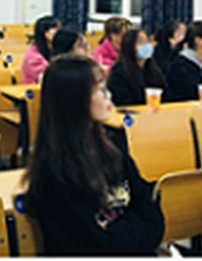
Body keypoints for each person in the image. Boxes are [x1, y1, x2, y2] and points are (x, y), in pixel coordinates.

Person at [23, 56, 164, 256]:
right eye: (100, 89)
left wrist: (125, 231)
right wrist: (135, 227)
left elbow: (152, 215)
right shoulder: (54, 171)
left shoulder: (114, 143)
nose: (109, 95)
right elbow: (97, 247)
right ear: (74, 99)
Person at [107, 29, 165, 107]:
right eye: (141, 42)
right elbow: (123, 102)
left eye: (148, 41)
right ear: (130, 46)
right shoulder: (118, 73)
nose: (146, 45)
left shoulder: (153, 69)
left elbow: (164, 93)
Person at [21, 15, 61, 84]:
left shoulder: (56, 50)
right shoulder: (32, 56)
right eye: (56, 30)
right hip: (34, 88)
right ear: (46, 33)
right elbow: (49, 76)